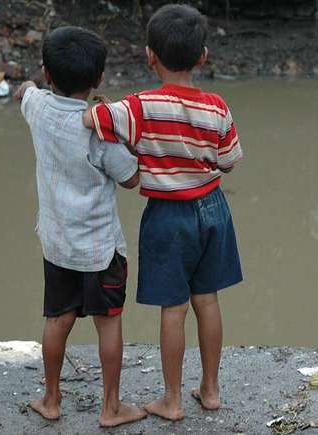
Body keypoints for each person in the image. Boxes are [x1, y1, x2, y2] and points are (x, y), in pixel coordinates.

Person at [82, 4, 244, 421]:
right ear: (203, 56)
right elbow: (229, 161)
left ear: (149, 56)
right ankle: (210, 389)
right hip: (213, 209)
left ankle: (171, 399)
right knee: (207, 300)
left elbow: (93, 118)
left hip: (168, 217)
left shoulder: (140, 107)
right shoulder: (217, 107)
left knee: (174, 309)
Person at [14, 25, 146, 427]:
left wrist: (30, 84)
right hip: (101, 250)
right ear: (98, 79)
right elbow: (131, 178)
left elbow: (25, 91)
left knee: (57, 320)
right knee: (109, 324)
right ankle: (111, 407)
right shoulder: (100, 132)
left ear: (48, 73)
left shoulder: (36, 107)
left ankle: (51, 399)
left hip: (56, 245)